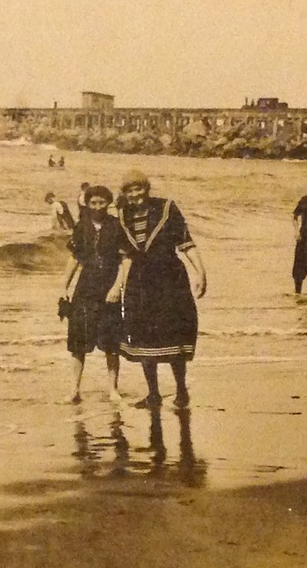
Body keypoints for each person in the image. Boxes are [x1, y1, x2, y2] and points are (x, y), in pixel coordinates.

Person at [115, 170, 206, 407]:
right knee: (144, 337)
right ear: (124, 193)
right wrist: (119, 286)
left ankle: (181, 391)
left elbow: (185, 243)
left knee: (173, 334)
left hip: (169, 279)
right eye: (130, 190)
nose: (136, 195)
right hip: (140, 282)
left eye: (139, 189)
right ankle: (153, 394)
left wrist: (201, 272)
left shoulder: (167, 208)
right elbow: (125, 256)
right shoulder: (123, 215)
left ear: (147, 188)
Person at [60, 184, 123, 402]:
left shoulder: (117, 226)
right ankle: (74, 390)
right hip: (85, 288)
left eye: (101, 202)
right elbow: (75, 258)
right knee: (78, 341)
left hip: (109, 289)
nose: (97, 206)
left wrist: (117, 287)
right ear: (87, 204)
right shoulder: (82, 226)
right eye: (93, 203)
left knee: (111, 343)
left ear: (109, 203)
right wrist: (63, 287)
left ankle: (113, 390)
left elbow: (125, 260)